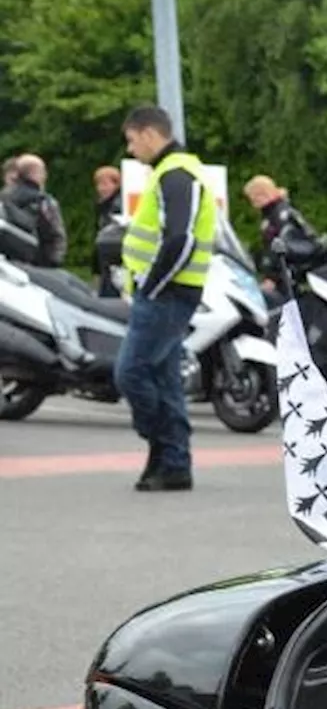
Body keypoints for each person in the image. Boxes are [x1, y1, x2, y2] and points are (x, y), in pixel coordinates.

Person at [115, 104, 217, 492]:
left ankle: (163, 447)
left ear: (148, 133)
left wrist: (152, 286)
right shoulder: (171, 173)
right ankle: (173, 464)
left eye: (131, 140)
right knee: (163, 377)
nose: (130, 149)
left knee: (131, 372)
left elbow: (181, 238)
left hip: (167, 294)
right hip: (168, 292)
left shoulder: (177, 173)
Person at [242, 174, 327, 295]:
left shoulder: (278, 216)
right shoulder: (278, 212)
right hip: (292, 275)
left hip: (293, 279)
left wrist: (273, 278)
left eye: (254, 198)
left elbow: (282, 247)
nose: (253, 203)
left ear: (263, 194)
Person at [0, 152, 67, 266]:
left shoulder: (3, 198)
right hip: (40, 264)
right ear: (36, 173)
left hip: (8, 264)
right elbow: (56, 233)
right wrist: (55, 260)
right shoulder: (44, 201)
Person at [93, 164, 124, 296]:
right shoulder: (103, 207)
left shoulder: (117, 207)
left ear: (116, 184)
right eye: (98, 184)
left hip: (113, 264)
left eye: (105, 184)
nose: (101, 189)